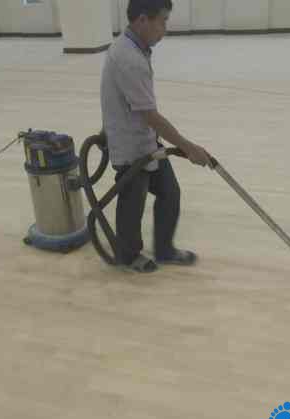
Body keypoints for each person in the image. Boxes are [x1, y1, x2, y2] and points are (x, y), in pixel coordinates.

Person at [100, 0, 211, 273]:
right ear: (142, 20)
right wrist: (188, 147)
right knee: (132, 203)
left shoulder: (132, 47)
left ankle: (164, 249)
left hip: (146, 140)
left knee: (169, 192)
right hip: (131, 148)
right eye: (162, 21)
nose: (165, 29)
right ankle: (128, 256)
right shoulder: (129, 59)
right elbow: (149, 115)